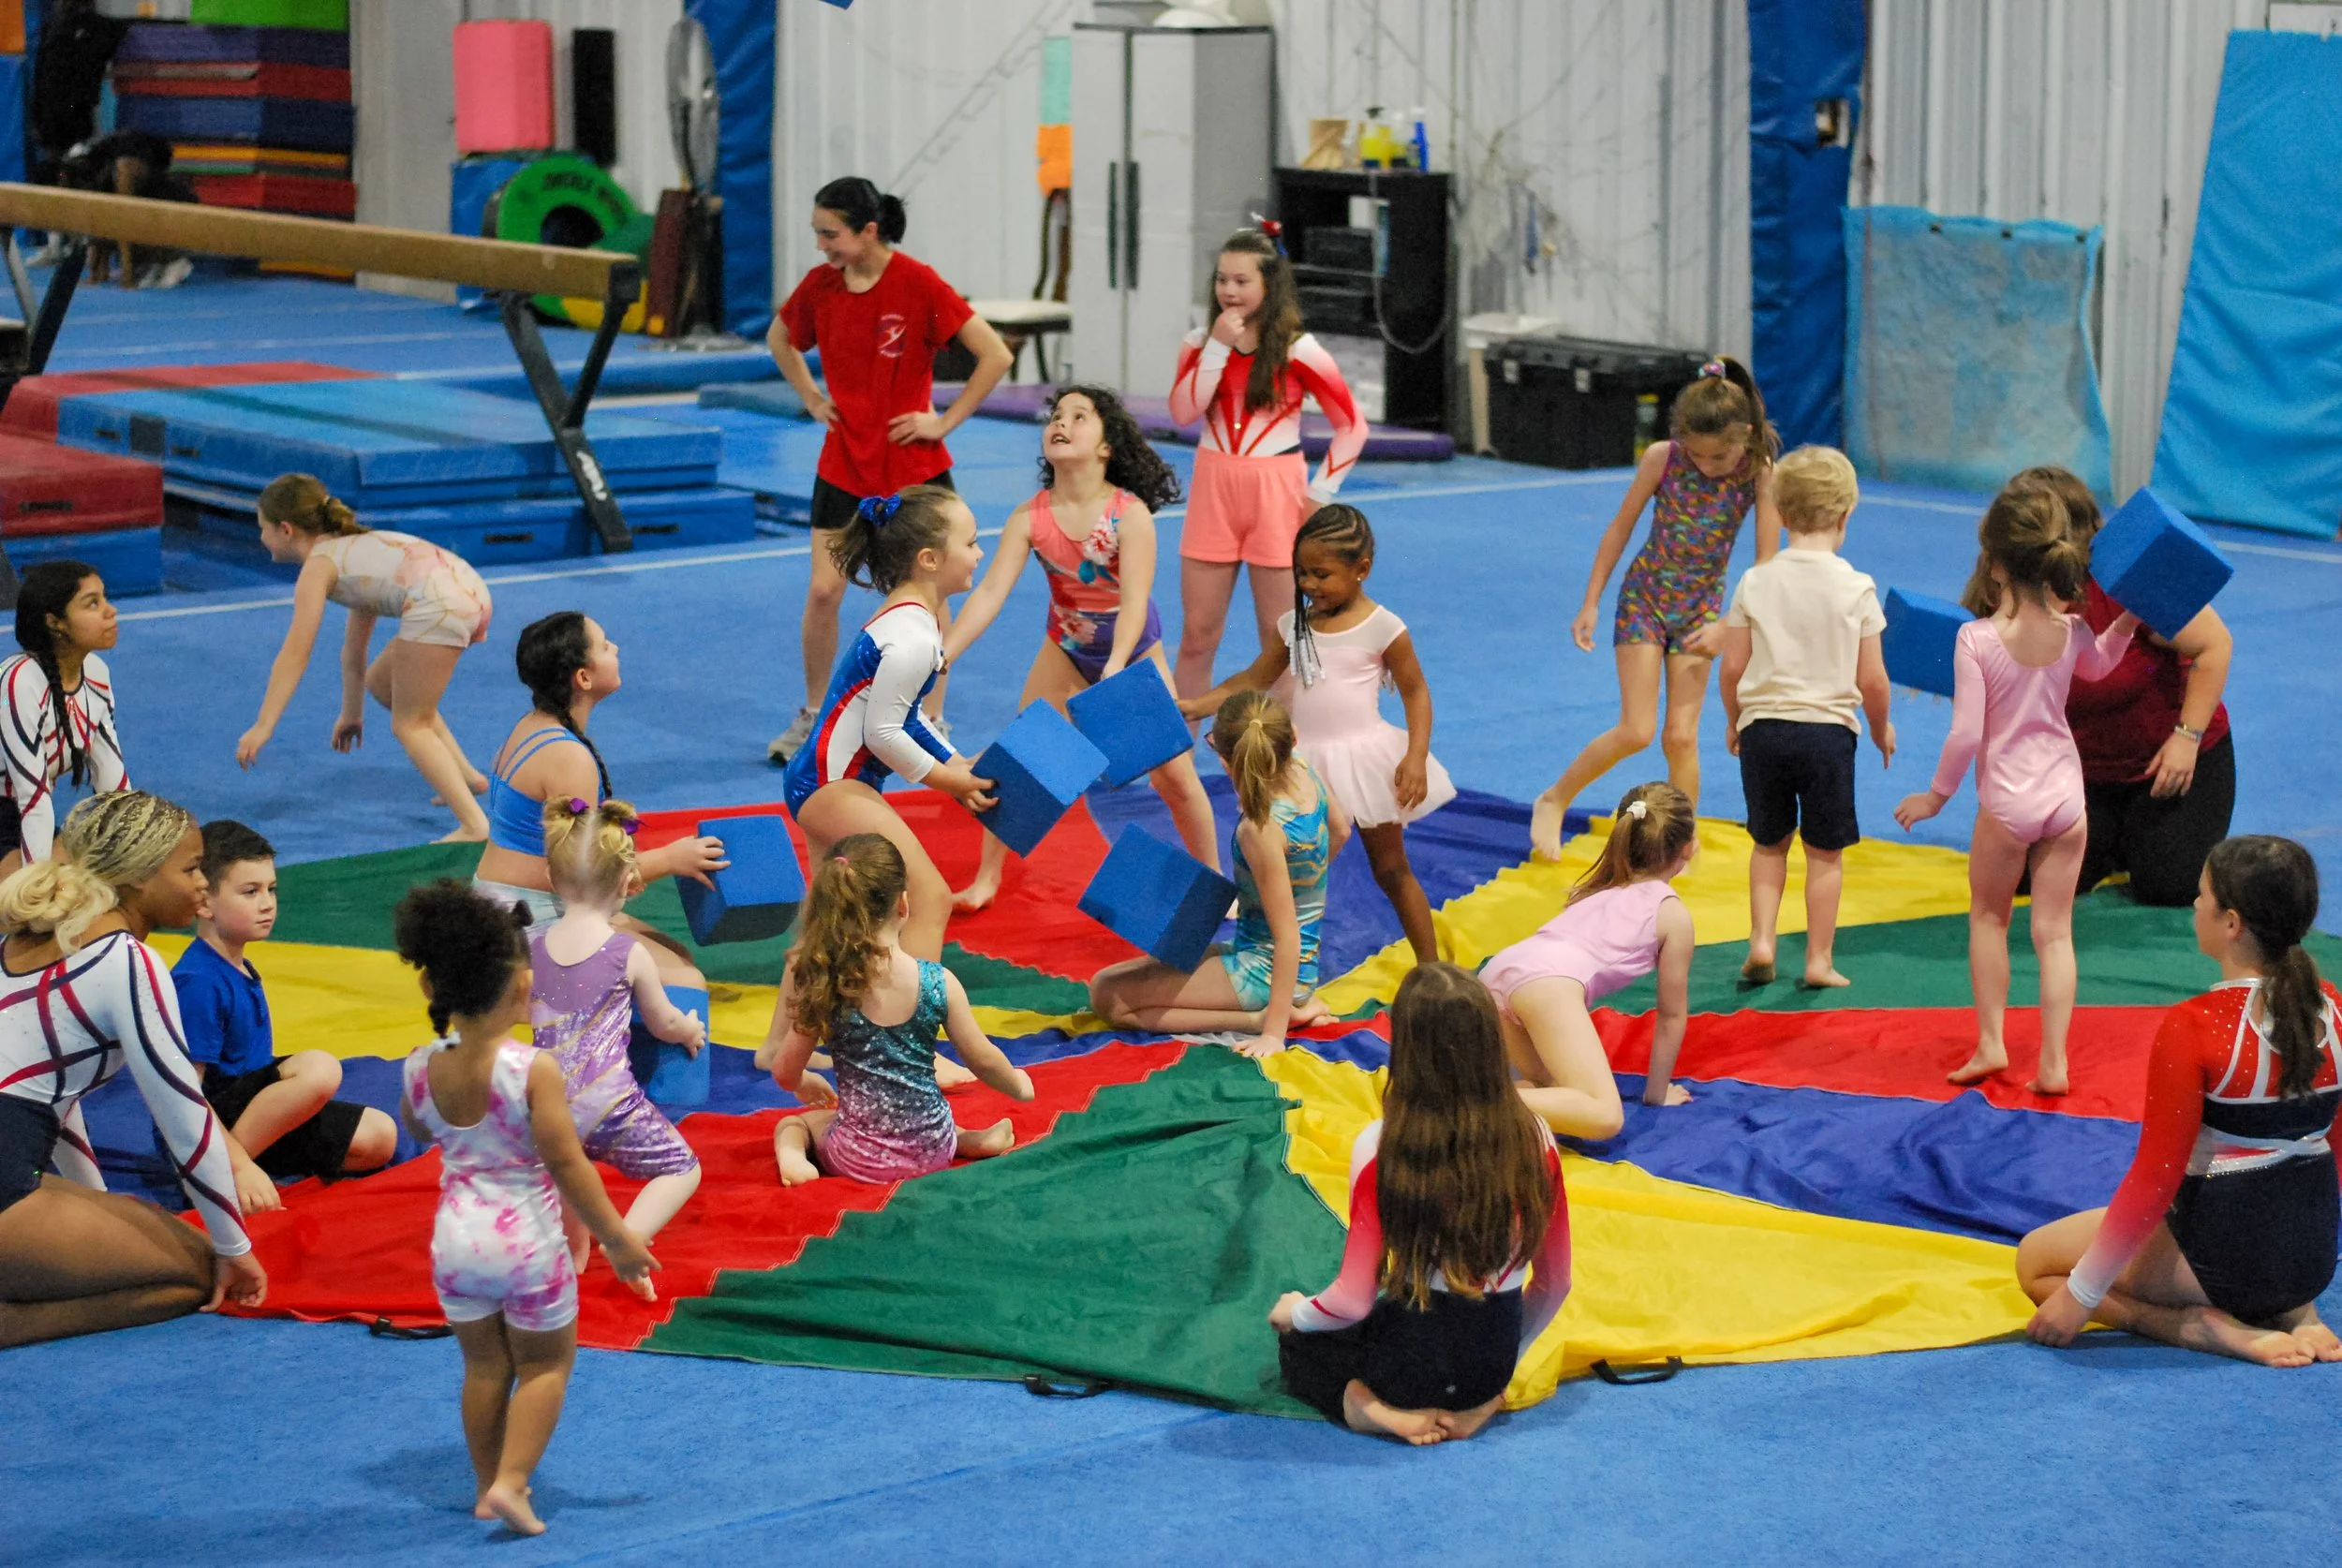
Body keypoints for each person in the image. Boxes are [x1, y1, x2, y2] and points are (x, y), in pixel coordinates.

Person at [393, 880, 656, 1537]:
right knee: (544, 1365)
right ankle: (515, 1481)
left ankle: (486, 1486)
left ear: (433, 989)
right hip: (526, 1243)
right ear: (520, 986)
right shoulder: (532, 1069)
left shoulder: (420, 1067)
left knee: (484, 1366)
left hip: (456, 1242)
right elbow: (569, 1163)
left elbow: (420, 1130)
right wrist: (618, 1238)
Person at [2018, 836, 2342, 1368]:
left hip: (2222, 1261)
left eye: (2203, 896)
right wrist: (2312, 1247)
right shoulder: (2330, 1007)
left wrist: (2081, 1297)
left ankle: (2195, 1326)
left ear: (2232, 923)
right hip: (2311, 1258)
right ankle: (2293, 1309)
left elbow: (2154, 1179)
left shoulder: (2195, 1027)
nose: (2194, 906)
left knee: (2037, 1262)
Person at [1896, 481, 2139, 1096]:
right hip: (2064, 797)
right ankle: (2054, 1062)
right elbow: (2102, 665)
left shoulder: (1976, 640)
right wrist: (2131, 619)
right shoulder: (2072, 630)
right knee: (2055, 933)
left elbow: (1965, 735)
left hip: (2007, 803)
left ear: (1996, 563)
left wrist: (1935, 797)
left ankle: (1992, 1042)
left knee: (1988, 918)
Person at [0, 791, 267, 1349]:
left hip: (14, 1165)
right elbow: (183, 1116)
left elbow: (51, 1098)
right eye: (193, 868)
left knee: (132, 1236)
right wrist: (235, 1250)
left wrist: (97, 1206)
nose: (203, 883)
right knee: (196, 1272)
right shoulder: (125, 960)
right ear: (139, 878)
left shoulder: (19, 940)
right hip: (7, 1184)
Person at [940, 383, 1219, 911]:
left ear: (1107, 446)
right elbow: (992, 591)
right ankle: (986, 880)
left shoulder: (1128, 514)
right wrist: (945, 651)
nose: (1061, 423)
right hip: (1065, 647)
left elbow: (1135, 602)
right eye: (1056, 416)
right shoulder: (1031, 516)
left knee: (1174, 775)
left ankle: (1213, 880)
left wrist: (1116, 666)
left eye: (1079, 416)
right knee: (1021, 761)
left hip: (1132, 651)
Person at [765, 176, 1014, 763]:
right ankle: (813, 714)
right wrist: (809, 394)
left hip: (913, 467)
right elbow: (781, 338)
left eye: (831, 234)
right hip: (845, 461)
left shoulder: (917, 282)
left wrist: (944, 421)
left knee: (930, 595)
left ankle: (931, 716)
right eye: (817, 234)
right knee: (825, 590)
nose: (822, 246)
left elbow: (995, 353)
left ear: (868, 231)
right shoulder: (820, 287)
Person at [1271, 962, 1571, 1444]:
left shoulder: (1383, 1145)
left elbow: (1350, 1299)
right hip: (1488, 1368)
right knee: (1449, 1343)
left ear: (1408, 1051)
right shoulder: (1537, 1138)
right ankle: (1478, 1405)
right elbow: (1556, 1283)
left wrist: (1296, 1313)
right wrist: (1503, 1359)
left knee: (1300, 1348)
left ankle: (1373, 1410)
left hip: (1406, 1369)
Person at [1178, 504, 1454, 967]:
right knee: (1286, 875)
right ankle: (1273, 961)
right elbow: (1251, 679)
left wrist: (1415, 755)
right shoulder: (1294, 626)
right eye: (1301, 572)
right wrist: (1195, 705)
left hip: (1366, 762)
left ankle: (1436, 970)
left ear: (1361, 569)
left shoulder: (1384, 628)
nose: (1308, 584)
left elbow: (1416, 693)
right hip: (1301, 768)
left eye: (1321, 574)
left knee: (1391, 869)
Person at [1529, 358, 1783, 859]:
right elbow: (1621, 528)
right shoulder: (1664, 458)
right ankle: (1554, 799)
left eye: (1717, 457)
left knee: (1682, 737)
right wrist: (1590, 602)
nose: (1706, 466)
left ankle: (1681, 843)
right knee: (1638, 730)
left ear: (1746, 435)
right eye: (1698, 455)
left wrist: (1730, 626)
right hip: (1645, 599)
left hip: (1702, 613)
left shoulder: (1759, 472)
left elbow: (1767, 563)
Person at [1986, 466, 2235, 909]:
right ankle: (2111, 837)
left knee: (2168, 884)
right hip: (2081, 771)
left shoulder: (2129, 581)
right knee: (2022, 877)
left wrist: (2187, 737)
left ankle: (2129, 836)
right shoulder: (2006, 584)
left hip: (2165, 767)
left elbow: (2214, 646)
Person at [781, 485, 998, 964]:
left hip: (823, 779)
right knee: (929, 900)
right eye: (971, 543)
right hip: (833, 785)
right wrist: (949, 782)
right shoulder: (915, 635)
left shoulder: (909, 616)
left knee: (829, 926)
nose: (980, 553)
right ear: (929, 559)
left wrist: (954, 763)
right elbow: (883, 733)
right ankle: (912, 1031)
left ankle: (797, 1033)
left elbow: (904, 714)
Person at [753, 834, 1034, 1186]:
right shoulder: (938, 982)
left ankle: (795, 1160)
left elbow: (784, 1070)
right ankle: (966, 1140)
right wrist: (1019, 1086)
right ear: (903, 904)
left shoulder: (828, 984)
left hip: (858, 1157)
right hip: (934, 1148)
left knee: (795, 1124)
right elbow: (983, 1058)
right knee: (925, 1114)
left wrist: (804, 1082)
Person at [1714, 446, 1895, 988]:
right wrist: (1881, 725)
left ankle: (1762, 941)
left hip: (1764, 729)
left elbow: (1732, 668)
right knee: (1825, 853)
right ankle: (1818, 958)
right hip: (1827, 735)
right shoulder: (1856, 587)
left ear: (1783, 515)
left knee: (1768, 844)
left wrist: (1735, 719)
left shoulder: (1755, 581)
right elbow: (1873, 681)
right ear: (1845, 517)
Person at [235, 474, 496, 842]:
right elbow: (354, 649)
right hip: (470, 592)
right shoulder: (355, 547)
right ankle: (466, 776)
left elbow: (295, 653)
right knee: (382, 682)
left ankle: (474, 825)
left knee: (410, 724)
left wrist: (264, 725)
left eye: (262, 528)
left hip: (441, 605)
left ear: (286, 530)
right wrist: (352, 713)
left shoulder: (318, 568)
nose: (261, 538)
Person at [1167, 228, 1366, 709]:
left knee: (1277, 642)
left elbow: (1352, 427)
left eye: (1241, 281)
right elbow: (1182, 413)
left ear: (1269, 286)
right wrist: (1216, 348)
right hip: (1214, 490)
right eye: (1221, 281)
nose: (1229, 292)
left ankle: (1282, 762)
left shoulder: (1301, 350)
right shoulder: (1198, 344)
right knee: (1196, 636)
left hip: (1276, 492)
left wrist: (1320, 494)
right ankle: (1176, 767)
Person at [472, 611, 723, 991]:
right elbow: (585, 878)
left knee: (673, 954)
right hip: (526, 921)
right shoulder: (568, 756)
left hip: (505, 909)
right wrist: (671, 860)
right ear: (583, 677)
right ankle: (534, 999)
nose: (616, 648)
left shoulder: (534, 724)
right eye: (605, 645)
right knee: (685, 985)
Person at [1089, 691, 1347, 1058]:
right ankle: (1284, 1006)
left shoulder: (1260, 829)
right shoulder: (1302, 766)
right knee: (1105, 982)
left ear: (1227, 763)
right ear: (1291, 738)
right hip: (1276, 960)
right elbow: (1339, 831)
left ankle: (1268, 1018)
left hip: (1267, 974)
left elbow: (1287, 937)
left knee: (1112, 1001)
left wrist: (1272, 1034)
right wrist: (1298, 884)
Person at [170, 820, 398, 1206]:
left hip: (252, 1112)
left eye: (271, 889)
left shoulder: (235, 965)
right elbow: (184, 1091)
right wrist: (237, 1164)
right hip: (210, 1127)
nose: (268, 903)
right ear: (205, 902)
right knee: (320, 1069)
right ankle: (217, 1174)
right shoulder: (199, 980)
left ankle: (242, 1162)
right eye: (250, 891)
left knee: (380, 1136)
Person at [531, 797, 704, 1274]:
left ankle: (574, 1252)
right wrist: (690, 1029)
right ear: (630, 882)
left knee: (568, 1169)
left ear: (551, 878)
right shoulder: (626, 951)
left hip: (541, 1107)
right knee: (682, 1169)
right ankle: (628, 1238)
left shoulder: (532, 946)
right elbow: (663, 1022)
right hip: (608, 1107)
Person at [1480, 781, 1697, 1137]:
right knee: (1603, 1116)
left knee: (1553, 1093)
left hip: (1497, 974)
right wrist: (1657, 1095)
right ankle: (1473, 1099)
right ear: (1687, 849)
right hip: (1544, 986)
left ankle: (1481, 1098)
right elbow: (1671, 1015)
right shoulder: (1671, 913)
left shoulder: (1600, 888)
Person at [0, 560, 127, 874]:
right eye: (92, 603)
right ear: (55, 622)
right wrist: (38, 885)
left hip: (17, 818)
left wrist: (138, 849)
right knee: (51, 904)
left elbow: (112, 783)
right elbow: (33, 798)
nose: (111, 611)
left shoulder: (96, 674)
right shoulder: (20, 681)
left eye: (105, 598)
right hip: (12, 815)